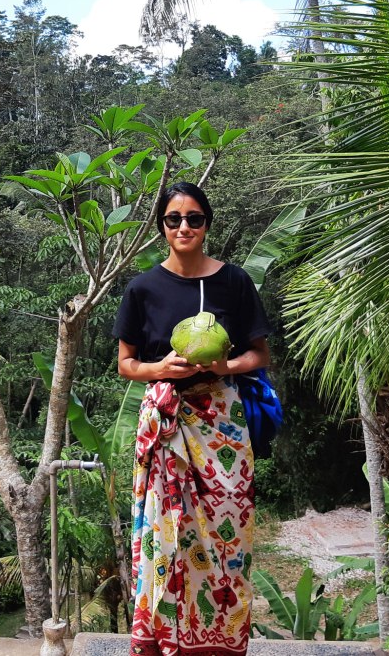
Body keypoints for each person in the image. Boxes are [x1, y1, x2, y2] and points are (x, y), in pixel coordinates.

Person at [114, 182, 271, 656]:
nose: (184, 227)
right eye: (174, 219)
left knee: (227, 534)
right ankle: (162, 640)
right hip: (165, 421)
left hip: (221, 421)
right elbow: (126, 363)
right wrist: (159, 369)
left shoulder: (235, 282)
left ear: (207, 224)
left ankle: (218, 643)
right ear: (162, 226)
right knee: (164, 535)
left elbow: (259, 354)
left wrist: (224, 366)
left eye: (194, 218)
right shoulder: (142, 288)